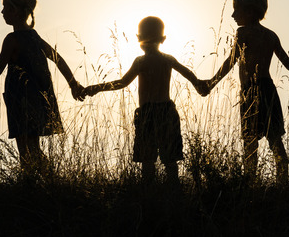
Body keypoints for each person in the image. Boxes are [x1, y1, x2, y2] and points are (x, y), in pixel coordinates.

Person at [0, 0, 85, 171]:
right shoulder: (35, 37)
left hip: (20, 100)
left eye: (5, 7)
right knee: (33, 147)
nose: (2, 11)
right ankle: (47, 180)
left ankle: (32, 183)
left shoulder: (12, 40)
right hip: (39, 98)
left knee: (25, 148)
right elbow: (58, 59)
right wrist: (72, 84)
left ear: (16, 10)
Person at [200, 0, 289, 183]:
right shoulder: (271, 35)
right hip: (269, 90)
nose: (233, 15)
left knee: (250, 143)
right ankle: (282, 183)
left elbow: (230, 61)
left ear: (249, 12)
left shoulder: (243, 33)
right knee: (275, 140)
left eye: (236, 10)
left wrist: (211, 83)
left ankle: (251, 184)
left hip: (250, 91)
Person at [84, 16, 203, 184]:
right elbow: (188, 73)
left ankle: (148, 190)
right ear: (163, 39)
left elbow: (122, 83)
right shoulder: (168, 59)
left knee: (148, 159)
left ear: (138, 38)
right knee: (170, 159)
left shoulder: (140, 61)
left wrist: (96, 88)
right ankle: (173, 189)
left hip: (148, 113)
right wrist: (200, 85)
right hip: (167, 111)